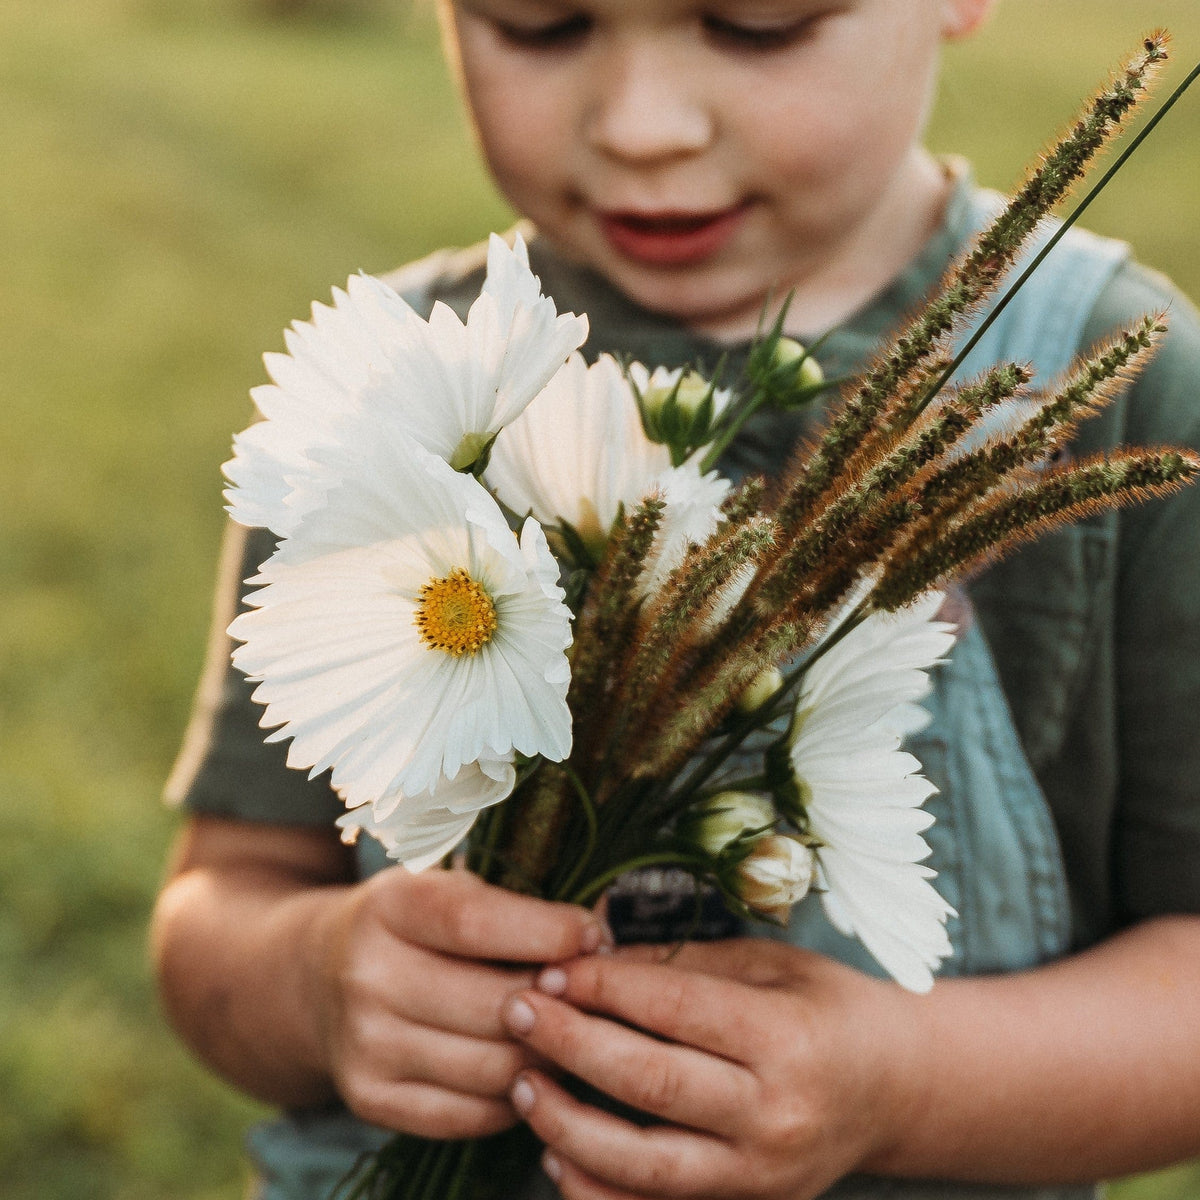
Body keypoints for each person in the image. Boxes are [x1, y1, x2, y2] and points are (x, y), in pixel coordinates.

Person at [151, 2, 1200, 1198]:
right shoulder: (380, 397)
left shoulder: (1118, 399)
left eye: (759, 24)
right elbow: (217, 905)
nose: (642, 126)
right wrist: (318, 980)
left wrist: (899, 1084)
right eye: (538, 24)